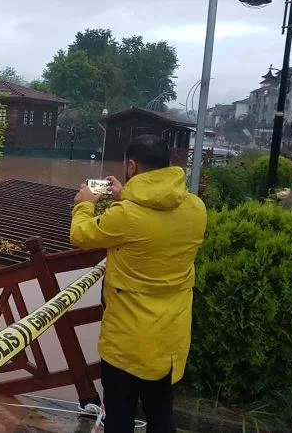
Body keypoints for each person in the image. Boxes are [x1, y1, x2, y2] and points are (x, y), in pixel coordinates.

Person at [70, 134, 207, 433]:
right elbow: (156, 221)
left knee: (119, 417)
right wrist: (125, 195)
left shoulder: (126, 217)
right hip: (169, 340)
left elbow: (81, 235)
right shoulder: (197, 208)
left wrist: (85, 204)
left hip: (128, 342)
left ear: (131, 166)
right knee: (161, 415)